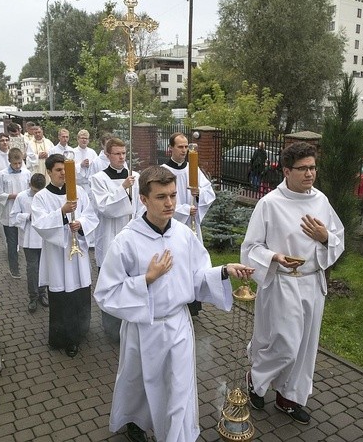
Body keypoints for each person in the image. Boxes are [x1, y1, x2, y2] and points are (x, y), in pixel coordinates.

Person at [94, 165, 253, 442]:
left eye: (173, 195)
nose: (169, 203)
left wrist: (225, 270)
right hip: (143, 328)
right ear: (143, 199)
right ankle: (136, 420)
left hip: (178, 325)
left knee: (179, 390)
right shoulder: (126, 242)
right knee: (140, 385)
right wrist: (146, 279)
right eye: (161, 197)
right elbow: (106, 293)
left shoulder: (183, 235)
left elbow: (198, 277)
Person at [240, 142, 345, 425]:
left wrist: (325, 237)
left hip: (312, 282)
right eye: (303, 168)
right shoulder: (270, 204)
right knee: (285, 343)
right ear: (286, 171)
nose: (310, 173)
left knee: (306, 345)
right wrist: (274, 256)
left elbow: (338, 239)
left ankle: (290, 397)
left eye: (313, 167)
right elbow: (250, 248)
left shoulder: (321, 201)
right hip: (282, 282)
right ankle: (256, 379)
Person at [31, 154, 99, 357]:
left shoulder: (80, 193)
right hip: (57, 255)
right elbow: (39, 223)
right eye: (58, 170)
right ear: (49, 172)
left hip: (77, 254)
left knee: (79, 293)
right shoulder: (41, 197)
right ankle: (62, 337)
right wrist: (61, 211)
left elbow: (91, 215)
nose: (62, 173)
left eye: (65, 170)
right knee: (62, 296)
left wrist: (81, 224)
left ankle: (80, 332)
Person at [90, 137, 143, 341]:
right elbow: (105, 208)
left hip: (132, 237)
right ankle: (111, 328)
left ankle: (129, 321)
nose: (122, 157)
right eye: (117, 154)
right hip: (109, 237)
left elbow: (140, 207)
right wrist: (123, 189)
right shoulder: (99, 179)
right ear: (107, 155)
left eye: (124, 153)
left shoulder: (134, 177)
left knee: (129, 281)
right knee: (111, 283)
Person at [161, 132, 216, 316]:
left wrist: (199, 194)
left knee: (192, 262)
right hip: (172, 225)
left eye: (186, 147)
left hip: (193, 226)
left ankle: (193, 304)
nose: (184, 150)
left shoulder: (193, 168)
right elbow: (160, 201)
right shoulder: (163, 171)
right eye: (180, 147)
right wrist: (184, 209)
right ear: (171, 148)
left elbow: (209, 192)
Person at [10, 173, 49, 313]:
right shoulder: (22, 197)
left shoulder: (48, 195)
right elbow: (13, 216)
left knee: (44, 266)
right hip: (29, 238)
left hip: (45, 238)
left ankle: (42, 293)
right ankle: (33, 296)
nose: (37, 194)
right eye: (34, 191)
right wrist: (27, 217)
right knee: (32, 268)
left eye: (39, 191)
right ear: (29, 185)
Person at [0, 148, 31, 279]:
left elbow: (31, 192)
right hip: (9, 213)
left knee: (26, 242)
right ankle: (14, 269)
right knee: (12, 243)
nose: (17, 166)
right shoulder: (2, 175)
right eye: (15, 163)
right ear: (9, 161)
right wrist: (10, 196)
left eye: (20, 163)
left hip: (23, 214)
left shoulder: (27, 173)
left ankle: (30, 267)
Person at [73, 129, 98, 198]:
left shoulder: (92, 152)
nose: (84, 140)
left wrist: (89, 166)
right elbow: (69, 168)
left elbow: (96, 167)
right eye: (82, 138)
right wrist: (80, 165)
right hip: (77, 184)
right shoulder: (72, 152)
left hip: (89, 185)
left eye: (86, 138)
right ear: (78, 139)